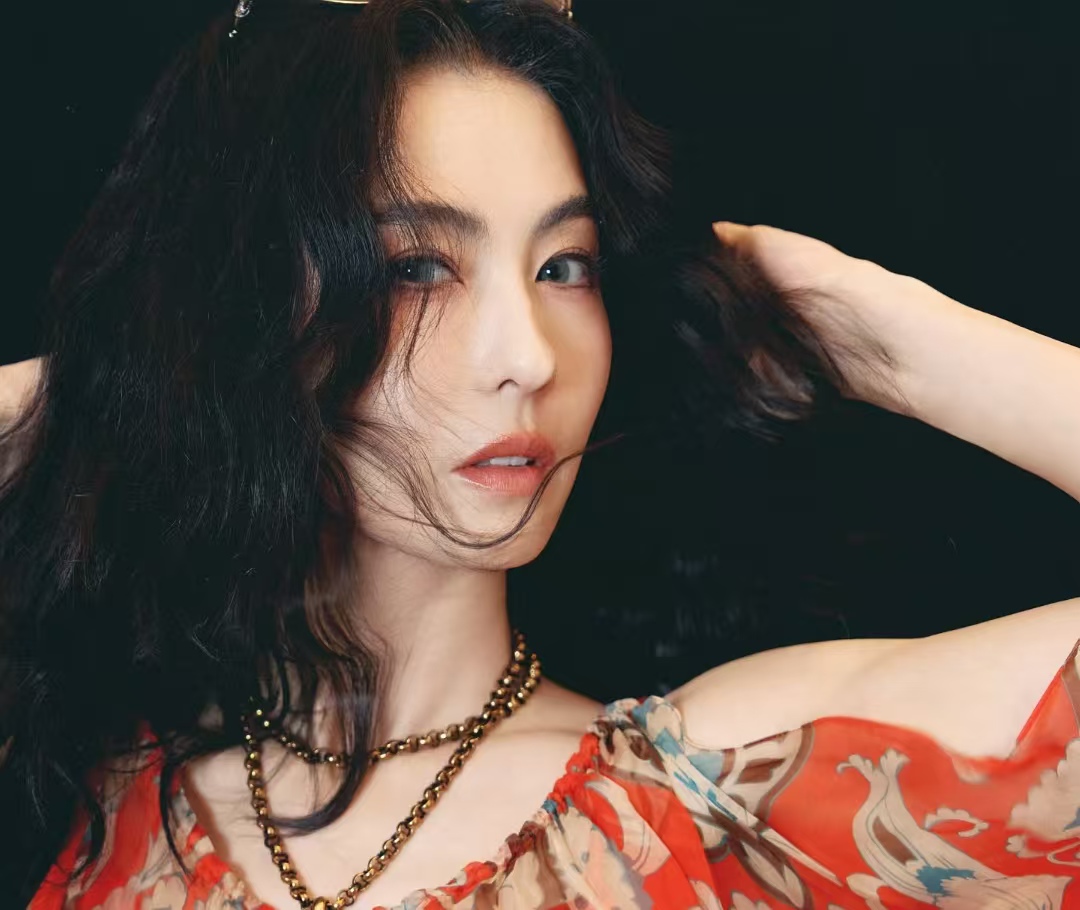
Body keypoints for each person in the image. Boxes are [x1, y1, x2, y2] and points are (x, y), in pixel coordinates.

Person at [3, 0, 1077, 907]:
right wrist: (132, 376)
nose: (527, 356)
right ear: (249, 311)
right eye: (418, 266)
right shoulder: (91, 784)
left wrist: (877, 330)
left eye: (565, 266)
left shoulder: (722, 798)